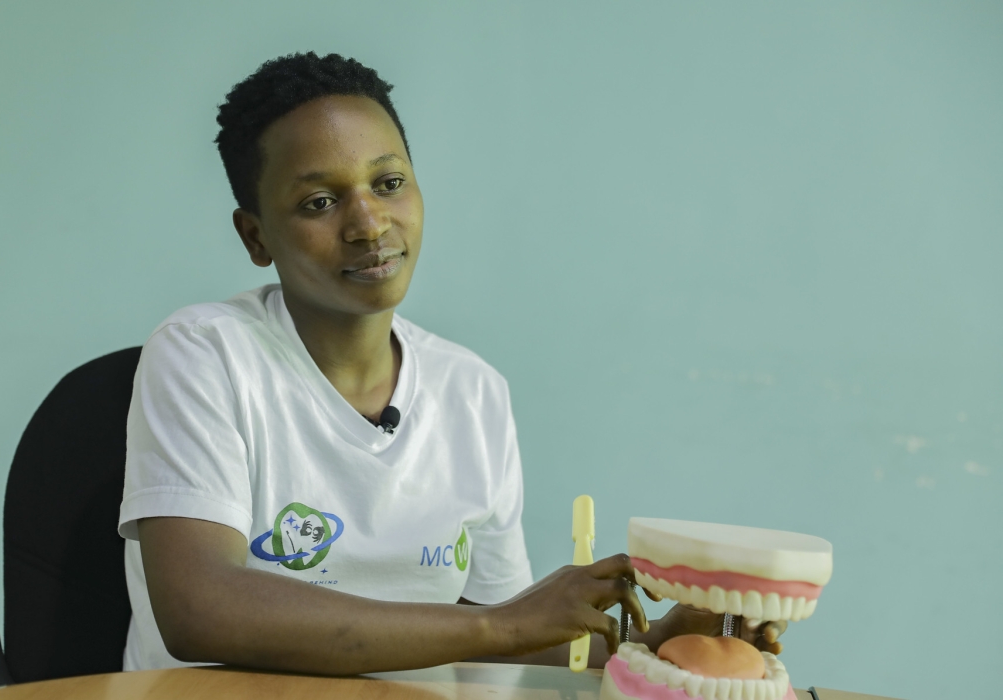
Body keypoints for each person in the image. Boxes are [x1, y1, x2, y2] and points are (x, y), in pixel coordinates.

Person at [118, 52, 784, 674]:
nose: (368, 223)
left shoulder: (472, 392)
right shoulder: (203, 354)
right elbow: (201, 610)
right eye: (320, 202)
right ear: (255, 235)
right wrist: (501, 627)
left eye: (388, 183)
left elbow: (504, 640)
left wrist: (648, 644)